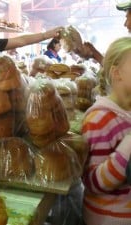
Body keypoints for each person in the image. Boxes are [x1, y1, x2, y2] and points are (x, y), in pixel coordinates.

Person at [81, 37, 131, 225]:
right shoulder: (99, 119)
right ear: (117, 73)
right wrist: (128, 145)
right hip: (110, 218)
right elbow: (94, 182)